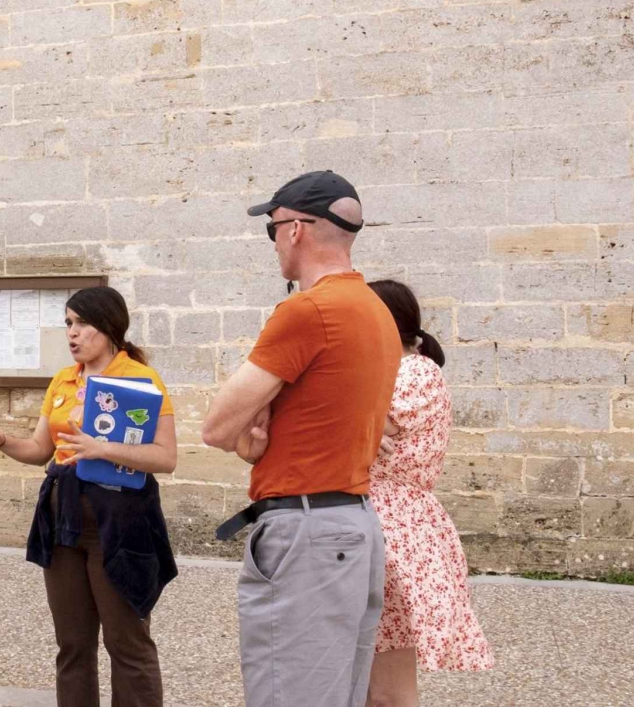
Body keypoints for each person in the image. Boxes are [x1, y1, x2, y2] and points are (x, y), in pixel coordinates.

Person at [200, 170, 402, 707]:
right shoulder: (376, 311)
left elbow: (217, 426)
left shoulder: (307, 309)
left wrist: (249, 429)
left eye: (271, 229)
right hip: (353, 524)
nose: (273, 242)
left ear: (295, 229)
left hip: (308, 532)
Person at [0, 287, 178, 707]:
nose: (72, 333)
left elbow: (165, 457)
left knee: (126, 642)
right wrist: (2, 441)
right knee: (72, 643)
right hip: (63, 518)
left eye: (82, 323)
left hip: (119, 520)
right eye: (68, 324)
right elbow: (40, 449)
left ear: (109, 326)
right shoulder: (63, 380)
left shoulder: (141, 380)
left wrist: (103, 448)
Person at [365, 279, 492, 706]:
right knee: (366, 686)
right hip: (380, 523)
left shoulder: (415, 372)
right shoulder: (386, 375)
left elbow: (360, 420)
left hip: (395, 529)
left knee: (388, 692)